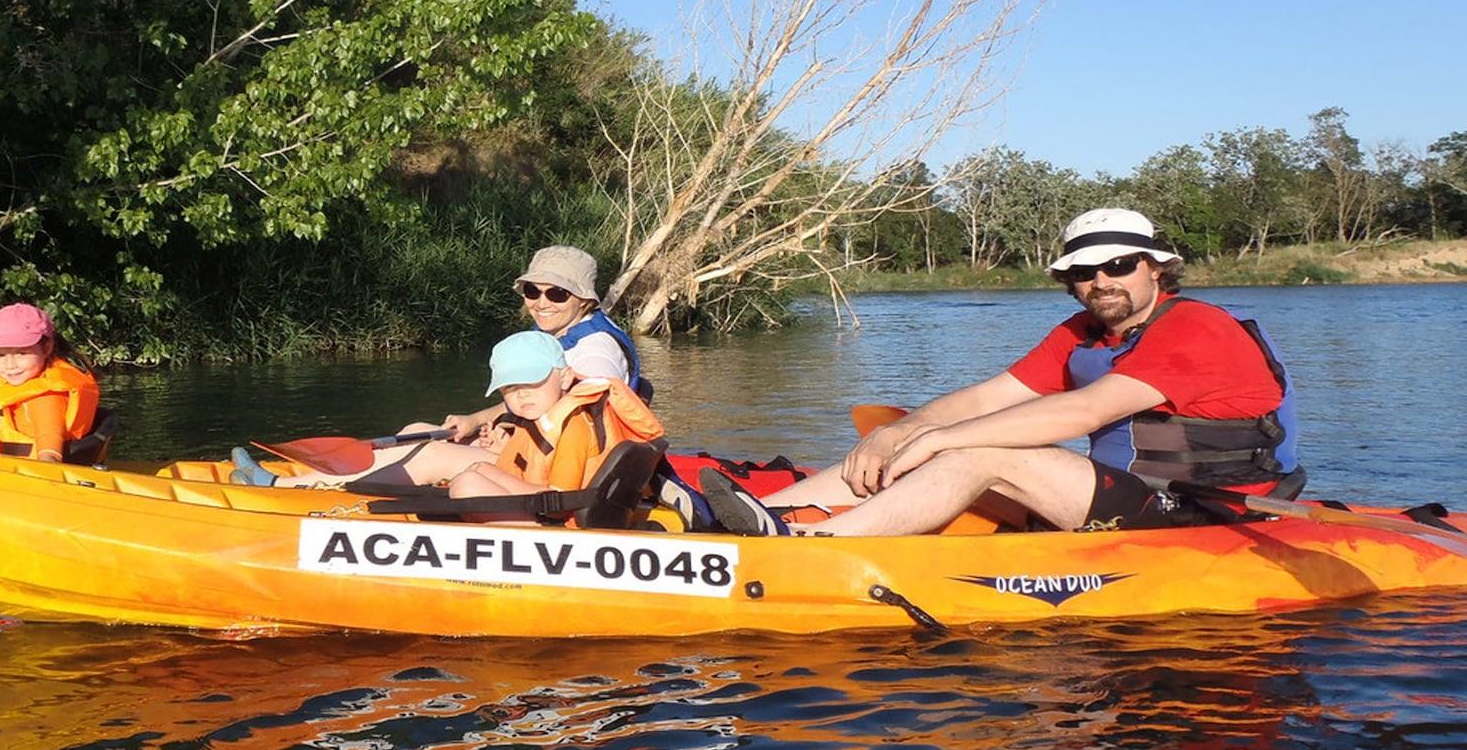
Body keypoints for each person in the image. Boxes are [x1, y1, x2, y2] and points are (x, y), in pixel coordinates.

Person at [700, 207, 1302, 537]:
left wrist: (939, 441)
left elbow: (1085, 411)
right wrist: (897, 433)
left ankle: (811, 546)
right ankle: (746, 521)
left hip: (1200, 511)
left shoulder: (1197, 326)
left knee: (974, 453)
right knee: (916, 441)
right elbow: (986, 398)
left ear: (1156, 269)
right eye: (1083, 273)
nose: (1100, 282)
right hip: (1119, 496)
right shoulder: (1082, 333)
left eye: (1118, 265)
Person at [230, 331, 664, 506]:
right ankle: (310, 485)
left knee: (453, 472)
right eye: (510, 388)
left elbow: (559, 495)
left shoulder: (581, 391)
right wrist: (499, 443)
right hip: (535, 480)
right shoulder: (545, 404)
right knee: (426, 439)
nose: (519, 395)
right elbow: (528, 453)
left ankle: (293, 490)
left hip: (552, 507)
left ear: (565, 377)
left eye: (530, 384)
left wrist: (484, 470)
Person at [424, 245, 651, 446]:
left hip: (567, 461)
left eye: (557, 294)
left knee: (428, 457)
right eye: (532, 291)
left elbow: (585, 424)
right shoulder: (551, 332)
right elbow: (527, 400)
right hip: (538, 445)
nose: (542, 303)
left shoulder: (595, 352)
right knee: (418, 430)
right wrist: (475, 421)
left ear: (584, 300)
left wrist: (507, 442)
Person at [0, 303, 105, 465]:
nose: (10, 365)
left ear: (47, 348)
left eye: (21, 353)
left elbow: (50, 455)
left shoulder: (45, 399)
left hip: (34, 470)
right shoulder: (22, 385)